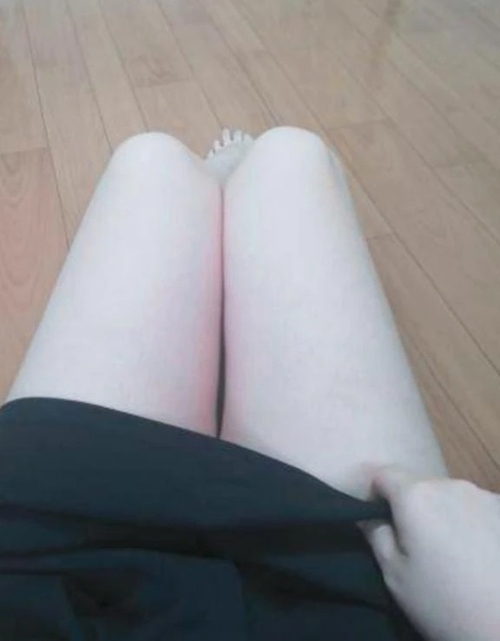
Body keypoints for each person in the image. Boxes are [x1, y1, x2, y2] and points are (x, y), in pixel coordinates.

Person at [0, 127, 498, 641]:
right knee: (291, 155)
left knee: (151, 159)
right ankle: (225, 209)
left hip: (42, 559)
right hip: (340, 589)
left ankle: (214, 217)